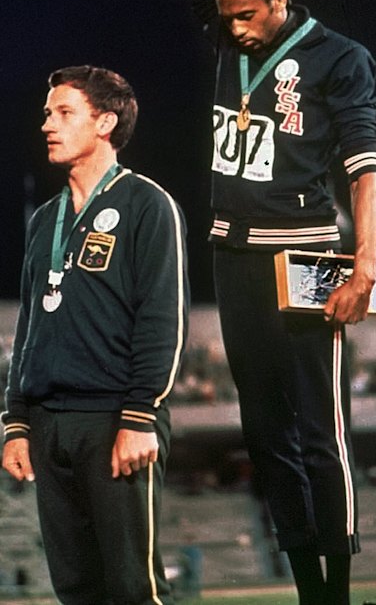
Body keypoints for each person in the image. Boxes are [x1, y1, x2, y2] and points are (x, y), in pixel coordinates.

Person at [109, 0, 376, 605]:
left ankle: (339, 590)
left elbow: (366, 172)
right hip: (234, 254)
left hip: (308, 255)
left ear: (280, 1)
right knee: (265, 434)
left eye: (248, 16)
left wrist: (362, 268)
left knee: (321, 432)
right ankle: (307, 591)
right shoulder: (226, 27)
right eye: (226, 18)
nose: (233, 29)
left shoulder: (340, 59)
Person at [2, 65, 189, 605]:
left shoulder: (147, 205)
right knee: (76, 590)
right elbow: (30, 325)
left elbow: (163, 320)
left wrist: (140, 415)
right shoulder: (45, 220)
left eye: (64, 113)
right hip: (47, 424)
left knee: (134, 589)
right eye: (47, 113)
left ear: (105, 122)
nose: (47, 125)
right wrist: (17, 422)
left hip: (114, 420)